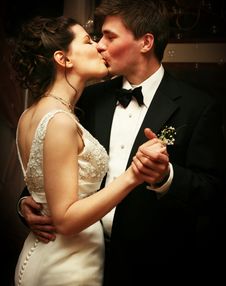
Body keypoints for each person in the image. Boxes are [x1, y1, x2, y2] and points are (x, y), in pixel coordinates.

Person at [18, 0, 226, 284]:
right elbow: (53, 159)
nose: (100, 46)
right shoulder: (88, 100)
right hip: (77, 256)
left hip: (153, 266)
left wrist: (165, 176)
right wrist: (27, 202)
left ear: (145, 42)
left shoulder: (197, 107)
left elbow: (214, 194)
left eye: (109, 37)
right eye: (96, 38)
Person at [12, 15, 170, 286]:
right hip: (67, 267)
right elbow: (64, 219)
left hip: (43, 256)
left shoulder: (30, 115)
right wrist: (133, 176)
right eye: (89, 40)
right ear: (64, 59)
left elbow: (45, 183)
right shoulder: (60, 120)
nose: (98, 46)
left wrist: (30, 204)